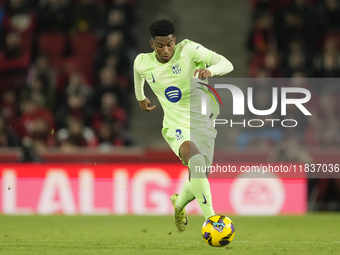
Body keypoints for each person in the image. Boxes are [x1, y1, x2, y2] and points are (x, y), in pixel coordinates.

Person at [133, 19, 233, 232]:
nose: (166, 50)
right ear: (152, 45)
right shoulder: (143, 62)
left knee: (199, 174)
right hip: (175, 125)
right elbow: (138, 74)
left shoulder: (189, 50)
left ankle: (178, 204)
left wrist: (211, 71)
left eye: (169, 44)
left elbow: (227, 63)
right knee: (195, 161)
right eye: (160, 46)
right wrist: (140, 97)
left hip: (203, 123)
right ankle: (213, 222)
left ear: (175, 41)